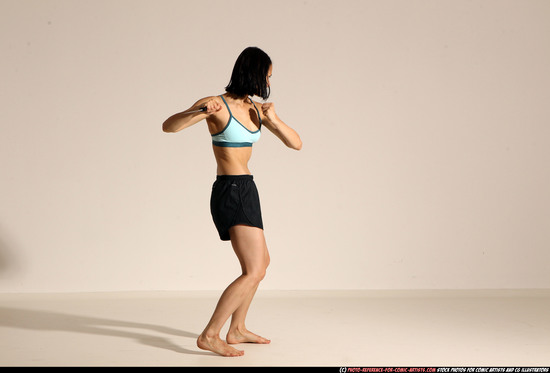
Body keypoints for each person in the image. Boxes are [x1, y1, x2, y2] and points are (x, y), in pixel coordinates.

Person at [162, 47, 302, 357]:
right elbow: (168, 126)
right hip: (231, 189)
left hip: (247, 188)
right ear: (253, 74)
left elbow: (296, 144)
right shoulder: (216, 104)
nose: (268, 81)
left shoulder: (255, 108)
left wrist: (273, 120)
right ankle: (210, 334)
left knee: (261, 265)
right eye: (267, 75)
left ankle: (237, 329)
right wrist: (200, 112)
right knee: (253, 270)